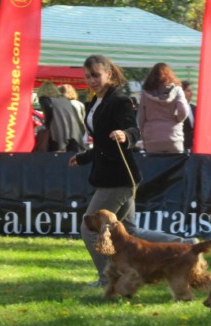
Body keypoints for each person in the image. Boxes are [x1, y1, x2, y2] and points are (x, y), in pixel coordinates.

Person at [69, 55, 194, 287]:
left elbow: (133, 129)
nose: (92, 80)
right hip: (110, 175)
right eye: (87, 76)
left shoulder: (120, 100)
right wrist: (84, 157)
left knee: (89, 229)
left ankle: (108, 279)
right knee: (130, 230)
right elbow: (101, 143)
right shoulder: (94, 102)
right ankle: (183, 244)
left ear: (109, 74)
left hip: (119, 179)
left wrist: (125, 135)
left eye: (96, 75)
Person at [137, 63, 190, 153]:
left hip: (152, 138)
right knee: (175, 161)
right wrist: (177, 119)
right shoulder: (177, 90)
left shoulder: (145, 93)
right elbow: (183, 111)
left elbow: (141, 117)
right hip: (173, 137)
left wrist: (144, 136)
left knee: (154, 162)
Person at [37, 82, 85, 153]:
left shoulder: (44, 99)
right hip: (72, 134)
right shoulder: (64, 100)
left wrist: (46, 123)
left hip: (57, 135)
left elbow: (48, 108)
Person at [181, 80, 197, 151]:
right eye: (188, 91)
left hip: (193, 147)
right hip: (181, 146)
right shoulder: (175, 109)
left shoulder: (195, 108)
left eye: (191, 90)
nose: (191, 93)